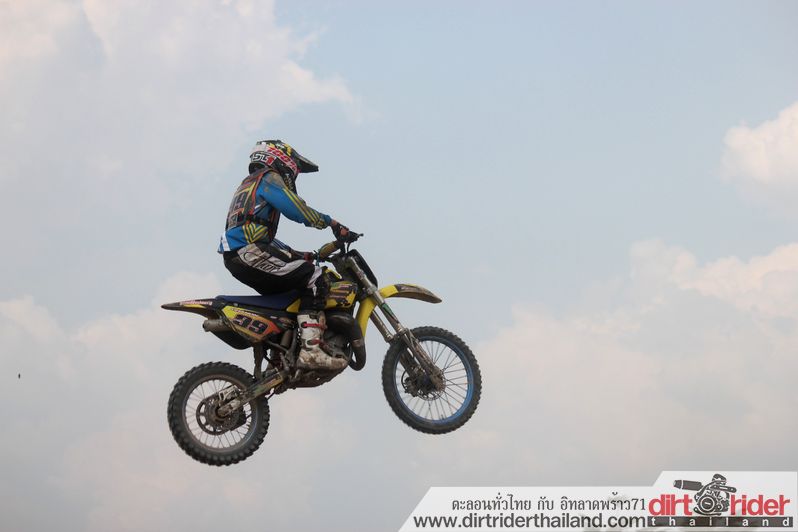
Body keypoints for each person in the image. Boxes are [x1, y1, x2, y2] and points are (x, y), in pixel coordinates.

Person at [218, 140, 354, 371]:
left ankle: (280, 358)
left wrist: (299, 255)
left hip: (240, 254)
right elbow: (297, 210)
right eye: (295, 168)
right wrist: (331, 223)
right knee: (316, 278)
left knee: (291, 297)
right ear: (281, 159)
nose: (295, 174)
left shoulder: (248, 185)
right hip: (248, 251)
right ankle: (311, 351)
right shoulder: (268, 178)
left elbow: (257, 234)